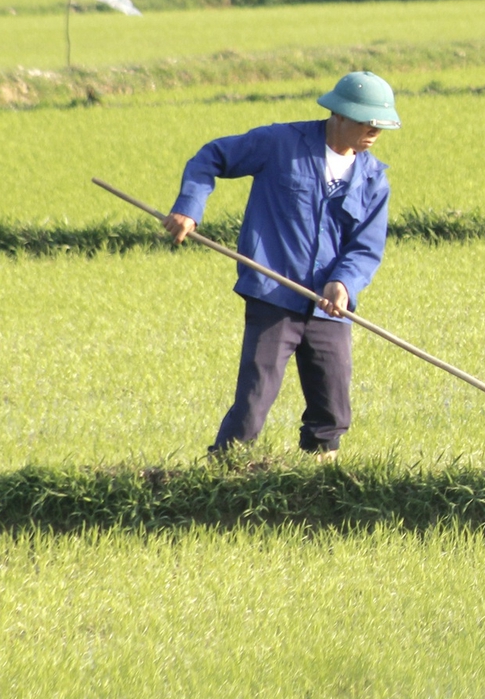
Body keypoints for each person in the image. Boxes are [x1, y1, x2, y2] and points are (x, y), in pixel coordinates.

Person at [162, 72, 400, 456]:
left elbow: (365, 248)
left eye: (379, 125)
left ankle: (319, 481)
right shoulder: (280, 144)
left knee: (333, 411)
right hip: (273, 296)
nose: (373, 132)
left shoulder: (373, 180)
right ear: (337, 115)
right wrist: (189, 209)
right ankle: (225, 475)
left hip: (328, 309)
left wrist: (343, 284)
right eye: (365, 121)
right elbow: (211, 157)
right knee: (253, 405)